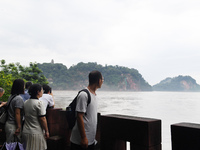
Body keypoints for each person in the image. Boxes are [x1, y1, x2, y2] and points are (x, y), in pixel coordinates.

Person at [70, 70, 103, 150]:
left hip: (90, 140)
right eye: (102, 80)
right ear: (99, 80)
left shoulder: (94, 95)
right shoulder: (84, 95)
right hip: (80, 141)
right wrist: (84, 138)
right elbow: (79, 116)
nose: (102, 82)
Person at [22, 84, 49, 150]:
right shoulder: (39, 103)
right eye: (42, 90)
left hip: (26, 131)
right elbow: (42, 118)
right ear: (38, 92)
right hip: (36, 133)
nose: (43, 92)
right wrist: (46, 131)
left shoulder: (26, 102)